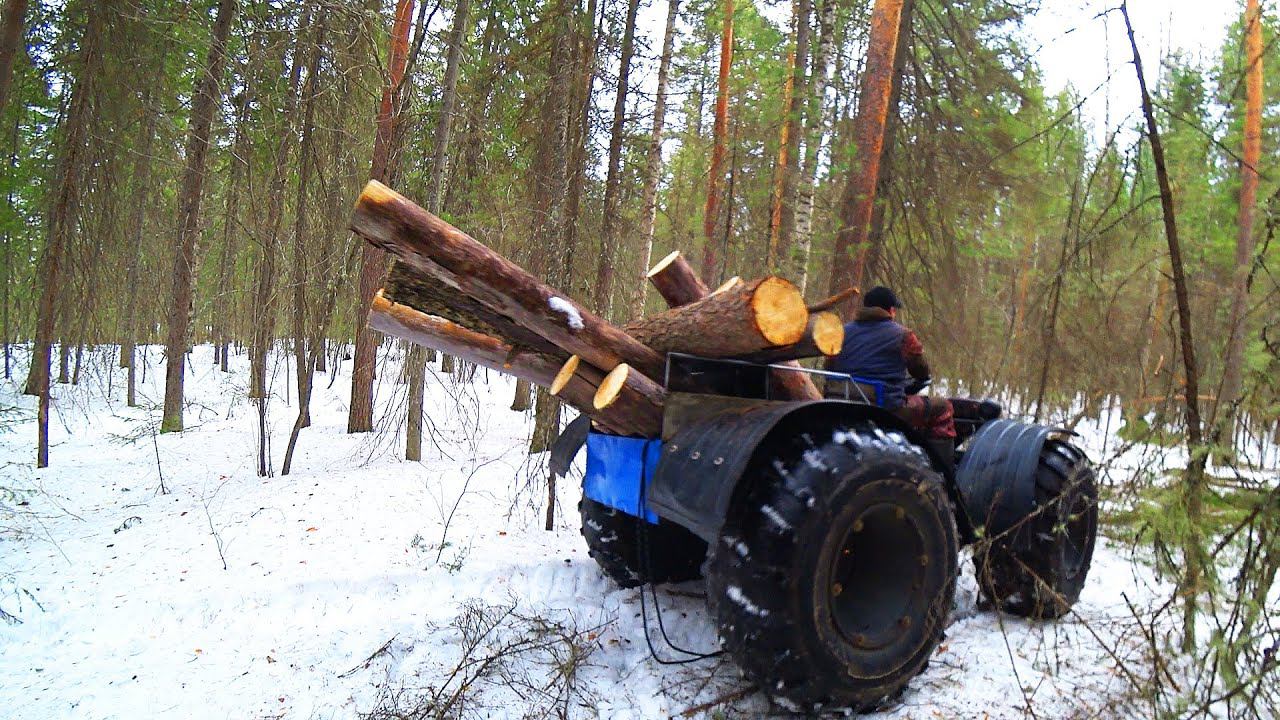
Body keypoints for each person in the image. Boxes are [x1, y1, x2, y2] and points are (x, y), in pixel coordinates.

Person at [825, 286, 956, 443]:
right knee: (943, 407)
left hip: (840, 404)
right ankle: (940, 466)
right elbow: (921, 372)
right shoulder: (903, 335)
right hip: (885, 409)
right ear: (891, 310)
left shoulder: (841, 332)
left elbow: (829, 367)